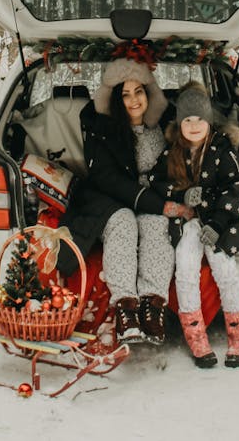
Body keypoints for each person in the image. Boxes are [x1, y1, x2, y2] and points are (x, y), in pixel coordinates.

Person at [59, 56, 175, 345]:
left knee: (156, 224)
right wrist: (155, 201)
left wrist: (164, 201)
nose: (133, 100)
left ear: (149, 94)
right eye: (125, 94)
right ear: (115, 99)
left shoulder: (165, 125)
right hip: (107, 198)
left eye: (139, 91)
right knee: (124, 222)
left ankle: (153, 306)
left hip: (150, 198)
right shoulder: (102, 128)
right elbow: (107, 179)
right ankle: (126, 309)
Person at [149, 81, 239, 368]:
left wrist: (219, 222)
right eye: (187, 120)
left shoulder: (223, 150)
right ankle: (196, 337)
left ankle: (238, 338)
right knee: (185, 267)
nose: (194, 126)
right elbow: (156, 182)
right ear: (179, 123)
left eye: (199, 119)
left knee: (225, 269)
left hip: (221, 222)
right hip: (190, 223)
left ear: (209, 120)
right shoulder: (173, 152)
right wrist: (181, 195)